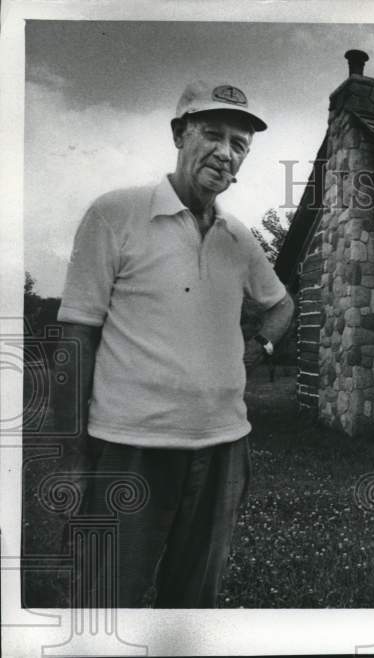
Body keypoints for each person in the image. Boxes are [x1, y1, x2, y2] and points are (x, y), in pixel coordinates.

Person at [54, 81, 294, 607]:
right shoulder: (115, 213)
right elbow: (76, 333)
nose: (225, 152)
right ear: (179, 134)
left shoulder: (238, 237)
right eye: (212, 134)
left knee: (192, 607)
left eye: (239, 144)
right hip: (131, 446)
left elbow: (281, 304)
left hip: (225, 447)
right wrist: (71, 456)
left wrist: (259, 349)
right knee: (105, 602)